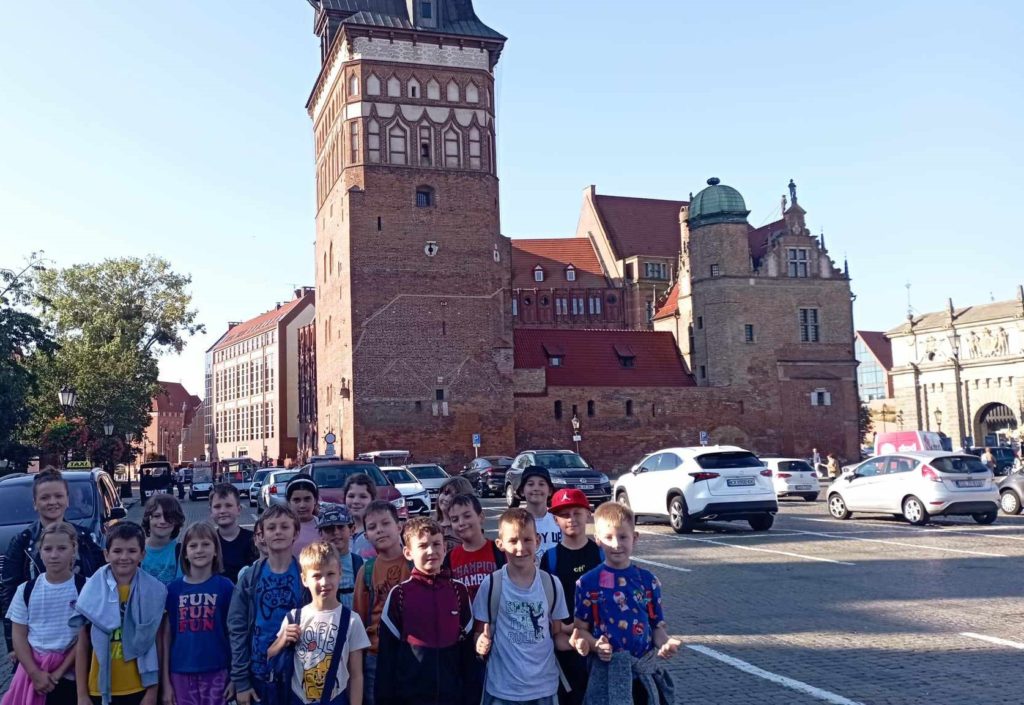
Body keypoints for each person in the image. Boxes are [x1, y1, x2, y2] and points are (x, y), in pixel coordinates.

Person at [571, 502, 680, 705]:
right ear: (598, 541)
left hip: (642, 674)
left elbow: (656, 627)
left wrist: (665, 643)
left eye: (623, 537)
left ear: (635, 538)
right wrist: (594, 645)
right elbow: (580, 630)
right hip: (606, 673)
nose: (616, 544)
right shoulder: (587, 583)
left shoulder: (648, 581)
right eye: (608, 537)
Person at [473, 508, 572, 705]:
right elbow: (478, 632)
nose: (520, 548)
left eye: (527, 540)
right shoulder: (491, 584)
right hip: (502, 689)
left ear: (538, 540)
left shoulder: (551, 584)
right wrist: (479, 643)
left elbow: (557, 634)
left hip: (544, 688)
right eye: (513, 541)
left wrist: (578, 643)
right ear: (500, 544)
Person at [1, 468, 104, 654]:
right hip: (39, 641)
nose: (53, 502)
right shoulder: (22, 542)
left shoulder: (85, 538)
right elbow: (9, 591)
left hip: (83, 639)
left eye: (58, 496)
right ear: (35, 503)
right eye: (45, 497)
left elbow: (101, 582)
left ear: (67, 500)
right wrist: (13, 646)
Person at [375, 517, 474, 705]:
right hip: (410, 697)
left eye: (436, 544)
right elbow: (386, 660)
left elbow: (468, 654)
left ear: (445, 548)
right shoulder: (399, 595)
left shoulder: (458, 591)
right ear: (408, 552)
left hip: (452, 697)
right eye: (422, 546)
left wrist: (470, 696)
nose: (431, 551)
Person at [73, 521, 167, 705]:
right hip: (100, 688)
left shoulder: (154, 591)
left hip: (140, 686)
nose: (124, 557)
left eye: (132, 551)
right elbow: (82, 644)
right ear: (106, 554)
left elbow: (157, 642)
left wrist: (152, 692)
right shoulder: (92, 591)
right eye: (117, 551)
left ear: (142, 554)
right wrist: (82, 694)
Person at [268, 542, 370, 705]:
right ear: (304, 579)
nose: (324, 582)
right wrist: (282, 640)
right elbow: (270, 656)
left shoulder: (352, 620)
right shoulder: (294, 618)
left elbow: (356, 674)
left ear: (340, 574)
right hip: (297, 699)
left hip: (336, 699)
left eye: (330, 574)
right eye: (316, 576)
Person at [228, 504, 308, 705]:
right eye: (271, 528)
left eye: (284, 527)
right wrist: (241, 682)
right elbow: (237, 629)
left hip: (297, 673)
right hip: (258, 674)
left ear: (296, 533)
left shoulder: (305, 576)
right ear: (262, 535)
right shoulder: (249, 578)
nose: (278, 532)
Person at [2, 522, 83, 705]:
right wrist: (34, 673)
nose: (54, 555)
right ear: (40, 551)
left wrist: (59, 672)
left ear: (73, 549)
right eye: (48, 549)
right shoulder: (26, 590)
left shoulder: (85, 587)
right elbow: (19, 635)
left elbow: (85, 636)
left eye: (62, 548)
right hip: (33, 673)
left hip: (73, 673)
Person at [161, 521, 235, 705]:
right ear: (185, 553)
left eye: (205, 544)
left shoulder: (226, 587)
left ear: (216, 550)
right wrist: (165, 682)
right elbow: (166, 637)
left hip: (217, 670)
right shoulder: (173, 590)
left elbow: (234, 633)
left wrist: (235, 676)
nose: (199, 550)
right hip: (180, 671)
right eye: (193, 545)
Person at [540, 489, 603, 705]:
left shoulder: (601, 554)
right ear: (555, 520)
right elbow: (545, 607)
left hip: (601, 646)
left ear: (588, 514)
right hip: (565, 648)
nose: (572, 519)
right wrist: (563, 630)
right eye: (565, 514)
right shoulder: (550, 559)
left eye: (577, 512)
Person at [353, 501, 412, 705]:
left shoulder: (415, 563)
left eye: (385, 523)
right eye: (372, 527)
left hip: (412, 652)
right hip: (376, 656)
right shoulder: (366, 571)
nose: (379, 530)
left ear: (399, 526)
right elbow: (359, 620)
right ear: (366, 535)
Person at [444, 494, 505, 600]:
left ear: (481, 517)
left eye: (467, 516)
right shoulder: (449, 559)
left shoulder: (500, 551)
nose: (461, 523)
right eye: (455, 519)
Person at [317, 503, 364, 608]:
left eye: (340, 527)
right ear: (321, 534)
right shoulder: (316, 567)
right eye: (329, 528)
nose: (336, 532)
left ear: (352, 530)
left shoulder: (362, 565)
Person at [210, 483, 259, 583]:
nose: (222, 511)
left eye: (228, 505)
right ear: (210, 511)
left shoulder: (254, 541)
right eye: (217, 506)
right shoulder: (208, 542)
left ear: (239, 509)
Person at [518, 466, 562, 561]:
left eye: (541, 484)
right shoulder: (516, 521)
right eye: (530, 484)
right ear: (522, 491)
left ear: (550, 491)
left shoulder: (559, 520)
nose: (536, 488)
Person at [141, 494, 186, 586]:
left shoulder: (182, 552)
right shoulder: (136, 550)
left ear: (177, 520)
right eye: (157, 516)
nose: (163, 521)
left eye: (168, 517)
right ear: (148, 519)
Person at [435, 477, 475, 553]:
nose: (447, 498)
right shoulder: (430, 525)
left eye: (454, 496)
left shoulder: (465, 529)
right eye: (446, 492)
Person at [343, 475, 378, 560]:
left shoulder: (379, 531)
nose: (356, 501)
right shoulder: (339, 531)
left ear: (372, 499)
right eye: (351, 496)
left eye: (363, 496)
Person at [287, 475, 322, 558]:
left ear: (315, 500)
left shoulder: (323, 526)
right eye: (296, 500)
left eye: (307, 499)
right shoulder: (282, 528)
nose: (302, 505)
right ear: (289, 502)